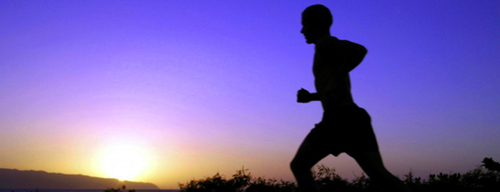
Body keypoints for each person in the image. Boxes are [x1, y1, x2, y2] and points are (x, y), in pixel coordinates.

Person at [290, 4, 411, 192]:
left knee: (299, 165)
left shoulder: (325, 43)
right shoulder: (324, 48)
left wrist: (337, 77)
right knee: (379, 175)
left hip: (339, 119)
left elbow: (360, 50)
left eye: (305, 25)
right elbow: (334, 90)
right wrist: (312, 97)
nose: (302, 30)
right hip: (353, 118)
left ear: (316, 25)